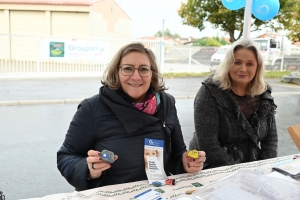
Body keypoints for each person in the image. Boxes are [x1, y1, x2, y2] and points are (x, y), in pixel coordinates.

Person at [57, 42, 206, 191]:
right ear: (117, 72)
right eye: (128, 69)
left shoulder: (166, 103)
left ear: (152, 73)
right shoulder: (92, 108)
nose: (136, 77)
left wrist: (185, 163)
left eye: (143, 69)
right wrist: (89, 170)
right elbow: (66, 157)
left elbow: (176, 153)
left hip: (158, 192)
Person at [189, 38, 278, 169]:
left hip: (253, 169)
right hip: (212, 168)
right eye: (237, 62)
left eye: (250, 64)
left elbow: (270, 140)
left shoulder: (264, 94)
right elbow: (208, 145)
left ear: (257, 67)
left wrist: (264, 168)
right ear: (228, 64)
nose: (243, 69)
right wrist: (241, 174)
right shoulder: (210, 92)